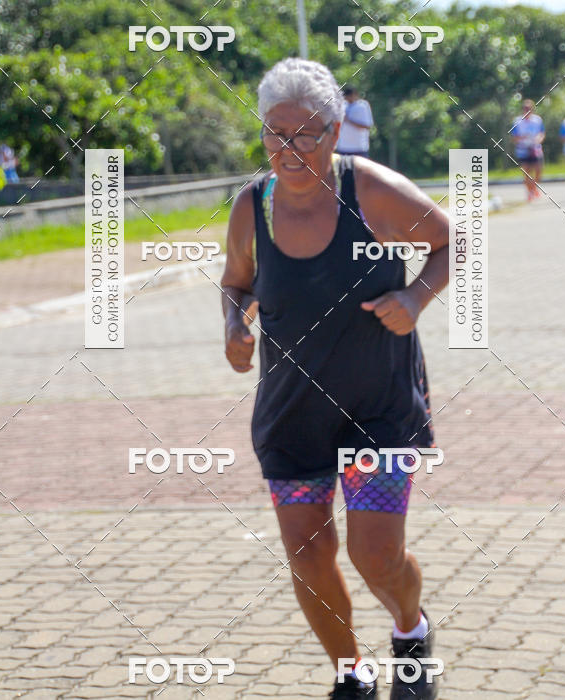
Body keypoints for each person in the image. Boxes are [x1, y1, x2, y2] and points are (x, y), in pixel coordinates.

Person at [221, 58, 449, 699]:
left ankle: (411, 630)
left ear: (338, 126)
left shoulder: (370, 191)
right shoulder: (253, 207)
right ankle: (352, 673)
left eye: (307, 134)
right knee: (308, 553)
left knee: (375, 554)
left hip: (377, 409)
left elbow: (450, 242)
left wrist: (416, 300)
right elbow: (236, 283)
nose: (289, 150)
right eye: (275, 133)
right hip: (293, 417)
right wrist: (234, 327)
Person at [510, 99, 545, 201]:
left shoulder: (537, 120)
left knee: (538, 170)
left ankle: (534, 187)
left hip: (535, 149)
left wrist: (538, 140)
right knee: (527, 172)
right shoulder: (517, 121)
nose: (527, 110)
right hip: (523, 150)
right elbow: (514, 137)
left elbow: (542, 133)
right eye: (525, 108)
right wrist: (522, 138)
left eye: (529, 108)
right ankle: (529, 192)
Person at [335, 86, 374, 158]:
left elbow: (367, 126)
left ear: (355, 95)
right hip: (343, 148)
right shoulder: (342, 106)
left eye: (349, 96)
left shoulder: (362, 106)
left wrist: (348, 120)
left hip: (359, 148)